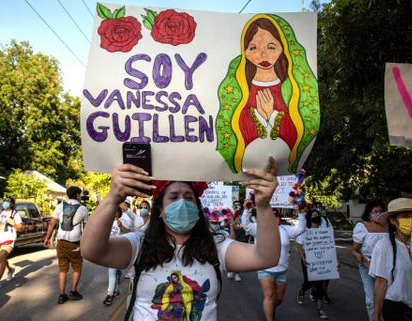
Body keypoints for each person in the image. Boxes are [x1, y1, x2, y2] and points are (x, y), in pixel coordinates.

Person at [81, 156, 281, 321]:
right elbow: (91, 250)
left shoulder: (216, 248)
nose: (182, 202)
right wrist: (113, 196)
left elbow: (266, 258)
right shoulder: (140, 245)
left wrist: (263, 205)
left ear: (197, 207)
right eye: (174, 197)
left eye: (188, 197)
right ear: (160, 210)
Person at [216, 14, 319, 174]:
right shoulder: (237, 88)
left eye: (271, 47)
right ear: (245, 51)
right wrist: (262, 117)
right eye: (253, 48)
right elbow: (232, 129)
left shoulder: (294, 87)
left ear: (283, 47)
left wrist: (271, 115)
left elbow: (300, 131)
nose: (263, 55)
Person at [243, 203, 307, 321]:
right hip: (265, 269)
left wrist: (301, 214)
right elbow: (246, 225)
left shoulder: (285, 229)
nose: (274, 219)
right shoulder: (258, 228)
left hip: (282, 269)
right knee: (269, 295)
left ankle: (270, 309)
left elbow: (301, 229)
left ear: (279, 219)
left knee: (279, 299)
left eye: (276, 217)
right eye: (271, 217)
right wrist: (246, 210)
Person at [369, 198, 412, 321]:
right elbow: (381, 283)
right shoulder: (384, 246)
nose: (410, 220)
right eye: (405, 216)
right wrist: (376, 316)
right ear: (393, 220)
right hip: (396, 309)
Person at [44, 186, 89, 304]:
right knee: (77, 267)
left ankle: (61, 295)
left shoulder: (60, 206)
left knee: (62, 269)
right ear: (77, 195)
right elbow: (86, 228)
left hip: (61, 242)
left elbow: (52, 223)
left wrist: (47, 238)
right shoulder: (83, 209)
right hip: (75, 243)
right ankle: (73, 292)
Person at [351, 200, 389, 321]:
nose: (378, 214)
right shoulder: (362, 227)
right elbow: (355, 249)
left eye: (380, 211)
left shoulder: (389, 227)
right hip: (368, 265)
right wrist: (359, 257)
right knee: (372, 299)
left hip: (387, 265)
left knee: (388, 297)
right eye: (375, 212)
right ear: (368, 214)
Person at [296, 208, 335, 319]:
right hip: (308, 259)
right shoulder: (305, 230)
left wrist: (334, 260)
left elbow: (330, 245)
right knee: (309, 282)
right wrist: (303, 258)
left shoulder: (324, 232)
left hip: (320, 260)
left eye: (317, 215)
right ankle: (302, 290)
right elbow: (299, 245)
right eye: (313, 215)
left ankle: (320, 310)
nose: (315, 217)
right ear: (309, 217)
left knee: (319, 284)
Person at [0, 196, 24, 290]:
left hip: (9, 238)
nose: (5, 203)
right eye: (4, 201)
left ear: (12, 204)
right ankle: (10, 269)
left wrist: (13, 224)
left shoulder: (15, 214)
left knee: (2, 256)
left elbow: (20, 228)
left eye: (8, 201)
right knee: (0, 259)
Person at [103, 207, 123, 306]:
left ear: (118, 213)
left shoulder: (120, 222)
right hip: (108, 250)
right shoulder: (107, 222)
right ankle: (116, 291)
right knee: (113, 273)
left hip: (116, 250)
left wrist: (122, 226)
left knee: (112, 272)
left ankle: (110, 294)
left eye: (115, 211)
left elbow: (128, 232)